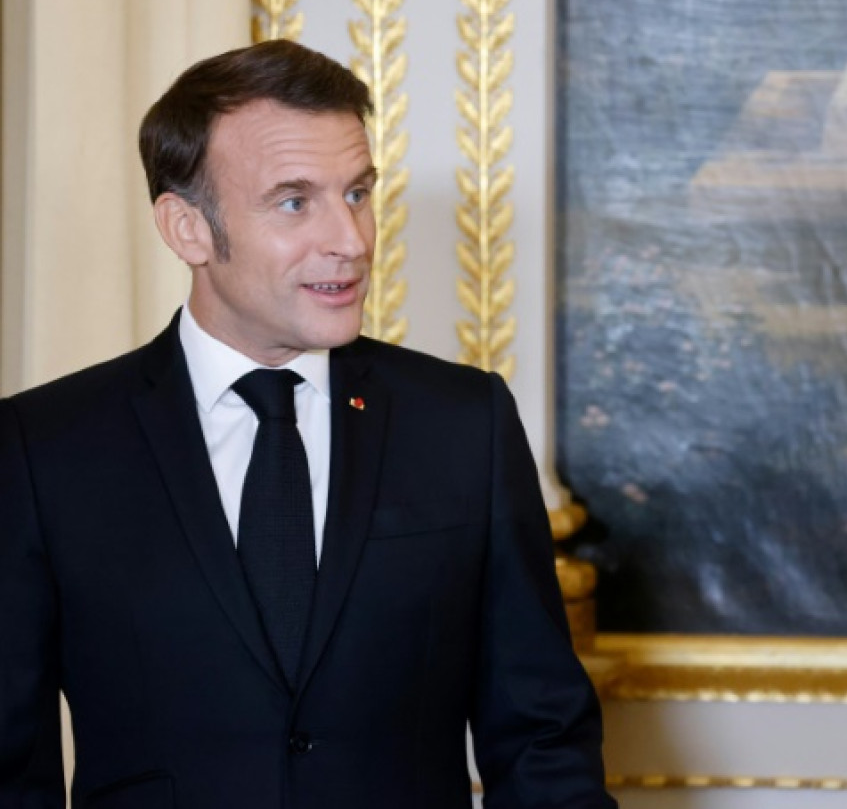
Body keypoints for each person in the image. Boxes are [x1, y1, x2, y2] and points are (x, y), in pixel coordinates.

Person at [0, 40, 615, 809]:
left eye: (356, 193)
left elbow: (543, 741)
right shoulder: (41, 448)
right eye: (296, 201)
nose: (351, 241)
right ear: (188, 228)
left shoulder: (465, 423)